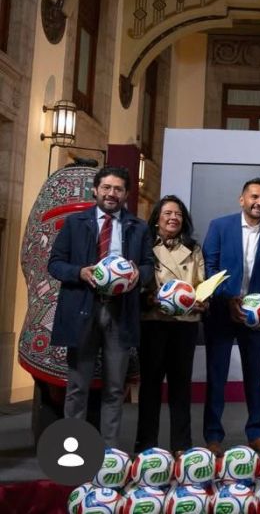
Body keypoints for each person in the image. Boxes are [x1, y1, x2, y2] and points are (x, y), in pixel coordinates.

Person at [48, 165, 154, 449]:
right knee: (78, 387)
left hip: (120, 313)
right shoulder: (74, 223)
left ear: (127, 194)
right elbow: (55, 263)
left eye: (118, 189)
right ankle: (74, 452)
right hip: (83, 309)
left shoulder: (139, 227)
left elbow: (148, 268)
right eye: (106, 187)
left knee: (115, 388)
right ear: (95, 190)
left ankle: (109, 455)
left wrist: (137, 276)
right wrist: (80, 272)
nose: (111, 193)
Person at [202, 177, 260, 455]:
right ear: (242, 199)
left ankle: (257, 433)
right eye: (254, 197)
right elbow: (210, 266)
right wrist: (227, 298)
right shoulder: (220, 226)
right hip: (222, 312)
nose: (259, 202)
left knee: (255, 376)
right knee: (217, 376)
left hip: (256, 316)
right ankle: (213, 436)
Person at [135, 195, 206, 455]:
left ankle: (181, 446)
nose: (173, 218)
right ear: (156, 220)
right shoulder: (144, 246)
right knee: (150, 386)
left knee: (180, 387)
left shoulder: (194, 248)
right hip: (153, 322)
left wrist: (201, 301)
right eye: (167, 213)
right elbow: (137, 278)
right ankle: (146, 444)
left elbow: (201, 283)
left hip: (184, 324)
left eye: (177, 214)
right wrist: (149, 297)